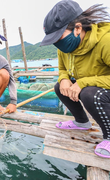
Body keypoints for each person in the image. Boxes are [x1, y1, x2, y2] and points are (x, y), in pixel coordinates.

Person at [41, 0, 110, 158]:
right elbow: (62, 69)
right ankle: (81, 122)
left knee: (90, 94)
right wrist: (64, 78)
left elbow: (86, 86)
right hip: (94, 87)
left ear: (78, 28)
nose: (57, 43)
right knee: (59, 86)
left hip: (103, 93)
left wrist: (83, 83)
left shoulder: (106, 41)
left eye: (59, 37)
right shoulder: (65, 47)